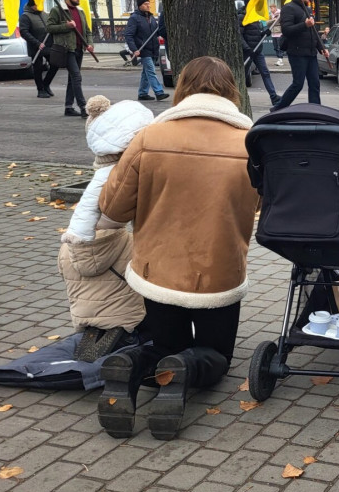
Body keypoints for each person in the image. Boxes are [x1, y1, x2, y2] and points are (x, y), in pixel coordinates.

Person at [96, 57, 258, 440]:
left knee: (165, 342)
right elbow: (265, 202)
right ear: (231, 90)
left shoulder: (150, 137)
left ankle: (131, 363)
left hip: (157, 270)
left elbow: (113, 207)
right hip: (219, 271)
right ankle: (185, 369)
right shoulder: (251, 142)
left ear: (182, 88)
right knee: (215, 356)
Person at [58, 95, 151, 363]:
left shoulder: (68, 246)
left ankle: (95, 329)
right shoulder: (130, 245)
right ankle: (126, 337)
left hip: (84, 316)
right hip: (131, 320)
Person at [272, 0, 328, 111]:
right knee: (298, 84)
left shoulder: (308, 10)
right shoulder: (289, 8)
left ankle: (315, 109)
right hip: (297, 52)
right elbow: (286, 30)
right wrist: (304, 25)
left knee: (315, 83)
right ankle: (278, 108)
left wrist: (322, 48)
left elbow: (313, 31)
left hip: (311, 52)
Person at [47, 0, 93, 118]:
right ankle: (83, 107)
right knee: (77, 77)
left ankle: (68, 107)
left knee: (72, 79)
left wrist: (89, 43)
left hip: (79, 48)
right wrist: (66, 26)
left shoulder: (80, 11)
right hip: (66, 49)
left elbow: (87, 30)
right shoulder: (58, 11)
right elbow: (49, 27)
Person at [124, 0, 168, 102]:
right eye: (145, 4)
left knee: (146, 73)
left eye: (149, 4)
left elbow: (156, 32)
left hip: (153, 48)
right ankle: (159, 92)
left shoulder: (151, 18)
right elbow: (129, 35)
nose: (148, 6)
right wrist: (134, 49)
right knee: (151, 71)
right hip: (142, 49)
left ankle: (143, 93)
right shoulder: (134, 18)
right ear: (139, 6)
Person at [19, 0, 58, 98]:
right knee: (38, 69)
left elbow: (50, 26)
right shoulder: (25, 16)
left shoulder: (44, 14)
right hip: (35, 47)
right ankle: (40, 89)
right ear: (32, 5)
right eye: (38, 4)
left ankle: (46, 84)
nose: (40, 6)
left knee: (55, 64)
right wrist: (37, 43)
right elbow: (24, 32)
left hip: (49, 45)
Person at [240, 4, 279, 106]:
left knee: (265, 73)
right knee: (242, 75)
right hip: (248, 52)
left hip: (257, 51)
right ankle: (237, 97)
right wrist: (247, 49)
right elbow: (239, 35)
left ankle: (273, 96)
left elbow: (257, 33)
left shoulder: (256, 16)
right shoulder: (242, 17)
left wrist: (264, 33)